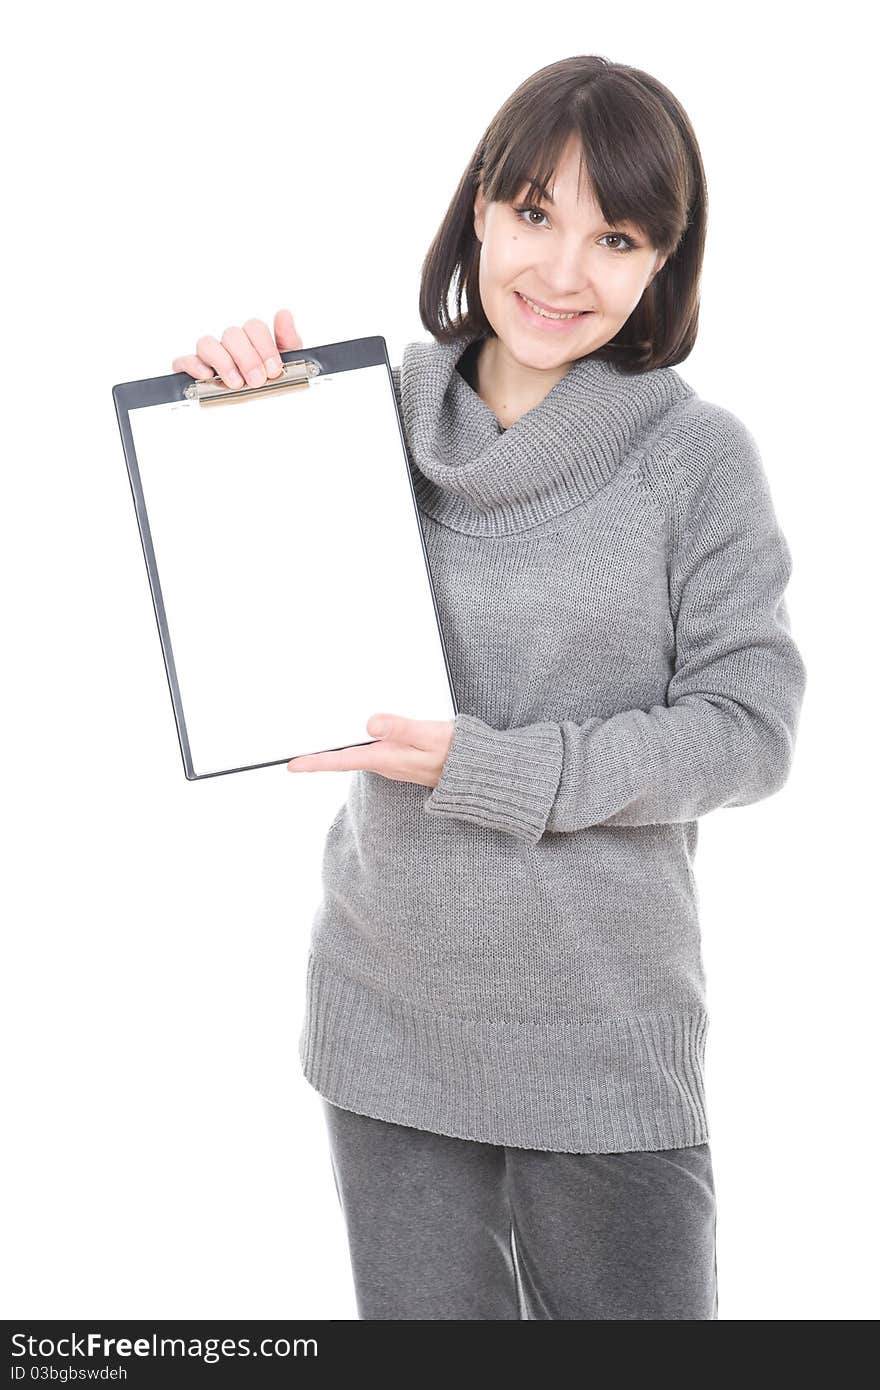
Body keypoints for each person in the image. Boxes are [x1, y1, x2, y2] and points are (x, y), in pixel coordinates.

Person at [172, 55, 807, 1320]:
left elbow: (749, 730)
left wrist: (499, 768)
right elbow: (241, 591)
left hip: (601, 1044)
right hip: (387, 1020)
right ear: (478, 209)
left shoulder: (694, 458)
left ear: (657, 266)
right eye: (532, 214)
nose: (562, 272)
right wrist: (235, 412)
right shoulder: (365, 412)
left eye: (613, 236)